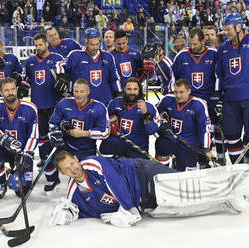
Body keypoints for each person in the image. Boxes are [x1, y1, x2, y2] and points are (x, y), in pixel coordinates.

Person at [49, 151, 249, 227]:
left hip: (143, 174)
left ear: (76, 159)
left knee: (186, 183)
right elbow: (79, 208)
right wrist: (68, 214)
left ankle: (232, 184)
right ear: (63, 173)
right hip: (144, 203)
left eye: (72, 163)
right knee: (184, 207)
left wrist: (128, 209)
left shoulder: (92, 164)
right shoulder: (73, 190)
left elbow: (114, 182)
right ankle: (225, 199)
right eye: (67, 169)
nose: (73, 169)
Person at [47, 78, 109, 192]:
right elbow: (52, 123)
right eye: (76, 91)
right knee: (46, 151)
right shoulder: (64, 103)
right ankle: (52, 179)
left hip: (86, 149)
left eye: (82, 91)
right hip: (66, 146)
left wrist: (84, 133)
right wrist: (56, 131)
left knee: (86, 177)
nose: (78, 95)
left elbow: (105, 133)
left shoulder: (99, 107)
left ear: (88, 91)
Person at [172, 27, 221, 165]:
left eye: (195, 44)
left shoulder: (214, 54)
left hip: (208, 101)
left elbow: (219, 76)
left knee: (206, 131)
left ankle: (204, 160)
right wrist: (172, 95)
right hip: (187, 101)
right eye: (190, 43)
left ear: (203, 41)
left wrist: (217, 97)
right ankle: (183, 157)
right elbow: (173, 78)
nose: (192, 47)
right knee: (187, 132)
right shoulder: (181, 55)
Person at [0, 77, 39, 201]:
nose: (10, 92)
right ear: (1, 93)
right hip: (1, 146)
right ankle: (1, 184)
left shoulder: (30, 107)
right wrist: (5, 139)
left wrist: (27, 153)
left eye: (13, 89)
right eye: (6, 90)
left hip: (21, 149)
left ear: (17, 89)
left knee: (24, 189)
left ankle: (17, 172)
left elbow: (34, 134)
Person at [155, 78, 214, 171]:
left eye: (181, 92)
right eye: (176, 92)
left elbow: (204, 128)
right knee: (162, 143)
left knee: (186, 177)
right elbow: (153, 113)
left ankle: (181, 162)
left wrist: (206, 149)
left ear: (189, 91)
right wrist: (161, 123)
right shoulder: (167, 99)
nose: (178, 95)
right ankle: (162, 172)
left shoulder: (199, 104)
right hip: (171, 139)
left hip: (189, 145)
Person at [25, 33, 64, 167]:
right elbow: (28, 79)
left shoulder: (57, 58)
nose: (38, 47)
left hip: (54, 103)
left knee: (56, 134)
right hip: (38, 104)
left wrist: (63, 80)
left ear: (47, 44)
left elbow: (63, 76)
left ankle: (59, 160)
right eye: (36, 45)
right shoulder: (30, 61)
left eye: (40, 44)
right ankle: (44, 158)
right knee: (42, 135)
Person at [54, 28, 122, 106]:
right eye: (92, 45)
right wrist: (61, 75)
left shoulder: (108, 56)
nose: (95, 48)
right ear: (86, 42)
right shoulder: (75, 55)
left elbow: (114, 77)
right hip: (81, 102)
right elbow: (59, 65)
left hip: (104, 102)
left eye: (97, 44)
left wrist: (119, 93)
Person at [215, 13, 249, 164]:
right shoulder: (222, 50)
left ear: (239, 27)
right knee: (231, 136)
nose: (226, 33)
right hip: (230, 101)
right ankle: (239, 168)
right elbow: (219, 75)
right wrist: (219, 96)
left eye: (228, 29)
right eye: (225, 30)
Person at [100, 77, 160, 158]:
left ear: (139, 90)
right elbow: (104, 122)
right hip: (119, 145)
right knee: (106, 145)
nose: (132, 92)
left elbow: (151, 130)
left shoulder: (149, 107)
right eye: (129, 89)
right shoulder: (115, 103)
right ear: (124, 89)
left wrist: (146, 114)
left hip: (138, 148)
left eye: (135, 89)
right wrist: (110, 126)